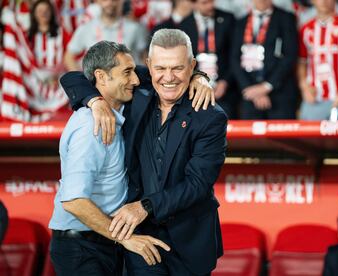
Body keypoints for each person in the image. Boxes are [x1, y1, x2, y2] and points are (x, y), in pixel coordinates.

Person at [60, 29, 227, 275]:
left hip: (190, 243)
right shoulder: (137, 87)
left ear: (192, 65)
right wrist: (94, 101)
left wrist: (144, 207)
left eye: (178, 68)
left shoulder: (211, 117)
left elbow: (197, 184)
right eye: (160, 68)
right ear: (148, 66)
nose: (168, 77)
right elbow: (74, 77)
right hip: (139, 238)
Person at [49, 41, 171, 276]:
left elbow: (162, 73)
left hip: (101, 241)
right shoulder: (90, 127)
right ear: (101, 77)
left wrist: (200, 78)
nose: (135, 80)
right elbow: (74, 200)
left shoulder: (117, 111)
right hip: (82, 248)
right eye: (127, 72)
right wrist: (125, 238)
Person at [231, 0, 299, 119]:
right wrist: (251, 89)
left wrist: (266, 86)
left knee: (281, 136)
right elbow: (234, 58)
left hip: (279, 93)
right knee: (249, 136)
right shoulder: (241, 22)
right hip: (250, 94)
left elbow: (290, 56)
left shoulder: (286, 18)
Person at [179, 0, 238, 118]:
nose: (210, 6)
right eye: (204, 3)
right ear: (194, 4)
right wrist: (197, 82)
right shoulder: (185, 25)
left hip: (225, 90)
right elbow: (184, 61)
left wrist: (225, 81)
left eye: (212, 1)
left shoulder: (228, 19)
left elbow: (234, 55)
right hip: (197, 90)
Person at [64, 0, 148, 70]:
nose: (110, 2)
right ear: (97, 1)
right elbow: (68, 57)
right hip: (96, 87)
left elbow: (144, 57)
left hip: (128, 86)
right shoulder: (86, 28)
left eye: (114, 0)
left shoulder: (135, 28)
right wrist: (81, 83)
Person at [27, 0, 71, 113]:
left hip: (58, 79)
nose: (43, 14)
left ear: (52, 13)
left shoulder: (61, 32)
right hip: (36, 79)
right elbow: (26, 60)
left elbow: (69, 55)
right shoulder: (28, 36)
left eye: (47, 11)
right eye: (40, 11)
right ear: (34, 14)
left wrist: (56, 75)